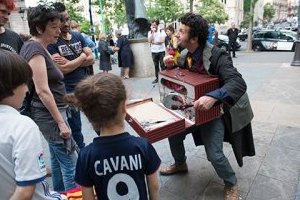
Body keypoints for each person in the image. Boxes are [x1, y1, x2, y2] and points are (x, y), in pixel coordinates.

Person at [162, 13, 255, 200]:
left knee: (214, 155)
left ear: (194, 38)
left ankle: (231, 183)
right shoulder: (185, 54)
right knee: (173, 133)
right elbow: (180, 77)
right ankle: (180, 164)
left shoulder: (218, 55)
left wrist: (213, 97)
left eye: (181, 31)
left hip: (214, 112)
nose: (177, 35)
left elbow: (237, 82)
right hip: (190, 109)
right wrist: (170, 65)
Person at [63, 73, 161, 200]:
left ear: (89, 116)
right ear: (123, 107)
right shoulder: (143, 146)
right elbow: (154, 186)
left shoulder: (86, 156)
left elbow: (87, 197)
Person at [20, 4, 77, 193]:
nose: (58, 31)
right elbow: (43, 91)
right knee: (71, 164)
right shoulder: (35, 50)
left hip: (53, 113)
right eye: (53, 27)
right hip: (50, 116)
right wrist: (61, 123)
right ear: (39, 28)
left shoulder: (39, 48)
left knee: (58, 160)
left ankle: (59, 195)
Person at [0, 50, 67, 200]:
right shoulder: (22, 125)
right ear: (9, 86)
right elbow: (25, 191)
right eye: (24, 83)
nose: (27, 90)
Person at [48, 2, 95, 150]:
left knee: (99, 117)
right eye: (62, 20)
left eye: (67, 19)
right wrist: (82, 57)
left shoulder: (77, 35)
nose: (66, 23)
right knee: (75, 126)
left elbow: (92, 58)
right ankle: (80, 153)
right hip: (67, 90)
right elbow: (63, 69)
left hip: (85, 86)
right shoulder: (52, 42)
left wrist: (71, 62)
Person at [148, 19, 166, 84]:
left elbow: (162, 41)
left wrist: (154, 42)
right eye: (152, 25)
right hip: (154, 51)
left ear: (158, 25)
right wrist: (152, 32)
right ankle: (157, 78)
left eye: (155, 25)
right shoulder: (150, 32)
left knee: (162, 65)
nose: (153, 26)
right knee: (156, 66)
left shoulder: (162, 31)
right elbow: (149, 41)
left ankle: (164, 79)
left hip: (161, 51)